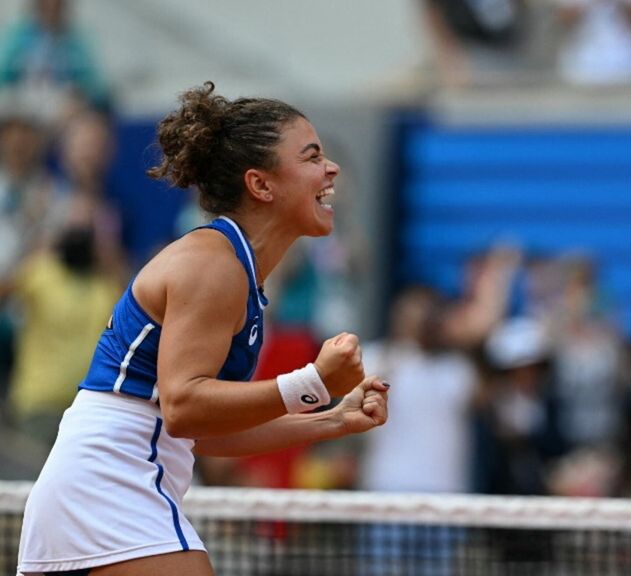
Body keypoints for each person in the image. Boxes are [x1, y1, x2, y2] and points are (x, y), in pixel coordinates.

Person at [17, 82, 389, 576]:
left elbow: (201, 433)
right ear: (261, 185)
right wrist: (312, 384)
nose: (332, 168)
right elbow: (184, 407)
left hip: (108, 475)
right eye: (312, 155)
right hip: (111, 479)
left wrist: (332, 419)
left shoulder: (237, 272)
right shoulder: (213, 265)